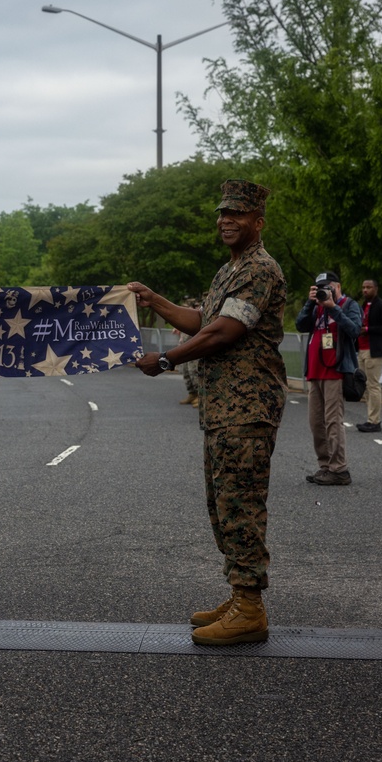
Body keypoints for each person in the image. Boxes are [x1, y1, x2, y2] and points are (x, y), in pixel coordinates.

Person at [128, 179, 287, 646]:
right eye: (222, 213)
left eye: (237, 214)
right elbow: (201, 320)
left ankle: (250, 608)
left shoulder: (260, 269)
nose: (226, 220)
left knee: (241, 505)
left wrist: (165, 359)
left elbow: (223, 332)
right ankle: (239, 595)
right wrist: (155, 300)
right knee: (223, 504)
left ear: (258, 222)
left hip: (248, 406)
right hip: (223, 409)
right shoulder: (229, 270)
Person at [296, 271, 363, 486]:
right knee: (316, 422)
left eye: (327, 287)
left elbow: (354, 330)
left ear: (337, 286)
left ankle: (339, 469)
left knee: (333, 421)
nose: (324, 291)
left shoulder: (348, 305)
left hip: (335, 371)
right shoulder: (316, 307)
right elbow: (300, 325)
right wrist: (310, 303)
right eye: (319, 288)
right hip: (314, 371)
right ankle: (325, 466)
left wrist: (333, 307)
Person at [356, 279, 382, 433]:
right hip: (362, 348)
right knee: (365, 385)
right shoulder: (363, 306)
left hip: (375, 350)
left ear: (376, 289)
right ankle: (370, 419)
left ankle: (374, 421)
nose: (365, 290)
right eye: (363, 287)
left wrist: (368, 329)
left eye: (369, 287)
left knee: (373, 384)